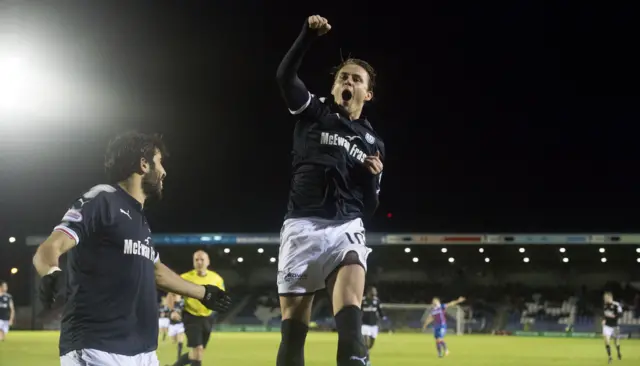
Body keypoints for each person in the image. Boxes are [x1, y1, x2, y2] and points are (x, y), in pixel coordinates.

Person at [32, 132, 231, 366]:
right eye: (159, 163)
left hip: (143, 351)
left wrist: (204, 293)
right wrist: (50, 272)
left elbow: (156, 271)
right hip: (98, 348)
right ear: (143, 164)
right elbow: (51, 246)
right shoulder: (102, 199)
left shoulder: (140, 221)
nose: (164, 172)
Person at [275, 14, 385, 366]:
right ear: (335, 86)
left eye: (356, 79)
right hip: (302, 228)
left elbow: (369, 208)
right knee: (294, 333)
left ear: (367, 93)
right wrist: (307, 35)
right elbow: (284, 77)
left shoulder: (373, 143)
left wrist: (370, 178)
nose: (348, 81)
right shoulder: (315, 112)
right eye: (343, 77)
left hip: (345, 229)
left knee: (350, 319)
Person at [170, 250, 225, 366]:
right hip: (191, 316)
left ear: (208, 262)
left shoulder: (217, 279)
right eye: (196, 260)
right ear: (193, 262)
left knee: (197, 353)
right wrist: (175, 309)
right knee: (198, 350)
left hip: (208, 318)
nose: (199, 262)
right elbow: (175, 294)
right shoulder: (185, 277)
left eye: (202, 259)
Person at [361, 286, 386, 353]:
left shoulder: (377, 300)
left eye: (375, 291)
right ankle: (366, 352)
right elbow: (358, 310)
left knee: (372, 343)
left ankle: (368, 349)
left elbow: (380, 310)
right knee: (365, 339)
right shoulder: (363, 300)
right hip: (364, 324)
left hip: (374, 324)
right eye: (374, 291)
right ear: (369, 292)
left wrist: (383, 316)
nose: (375, 292)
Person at [602, 292, 623, 363]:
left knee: (616, 342)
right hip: (607, 326)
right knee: (606, 341)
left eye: (606, 298)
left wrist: (614, 316)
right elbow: (604, 314)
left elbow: (621, 314)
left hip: (615, 326)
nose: (605, 299)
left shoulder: (616, 305)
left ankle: (618, 352)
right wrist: (604, 319)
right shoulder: (605, 305)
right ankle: (610, 357)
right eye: (604, 298)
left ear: (610, 298)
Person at [166, 293, 186, 362]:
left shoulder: (183, 303)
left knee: (180, 341)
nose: (177, 297)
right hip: (172, 325)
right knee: (173, 341)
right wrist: (172, 315)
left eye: (179, 295)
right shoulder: (170, 303)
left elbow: (184, 313)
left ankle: (179, 357)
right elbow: (169, 315)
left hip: (180, 324)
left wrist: (180, 316)